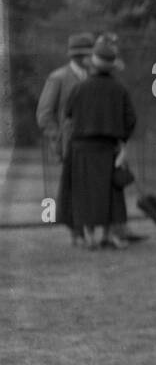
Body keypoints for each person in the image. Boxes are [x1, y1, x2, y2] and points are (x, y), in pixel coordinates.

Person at [63, 34, 136, 250]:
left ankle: (89, 236)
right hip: (108, 149)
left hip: (81, 150)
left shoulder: (79, 88)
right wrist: (122, 140)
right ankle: (107, 234)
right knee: (108, 195)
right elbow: (131, 120)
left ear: (93, 65)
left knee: (85, 195)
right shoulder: (120, 90)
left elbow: (68, 115)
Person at [36, 32, 94, 244]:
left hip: (94, 144)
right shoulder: (58, 77)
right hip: (70, 145)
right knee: (74, 190)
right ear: (76, 56)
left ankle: (93, 229)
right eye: (85, 54)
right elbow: (44, 114)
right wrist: (57, 138)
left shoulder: (95, 77)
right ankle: (76, 231)